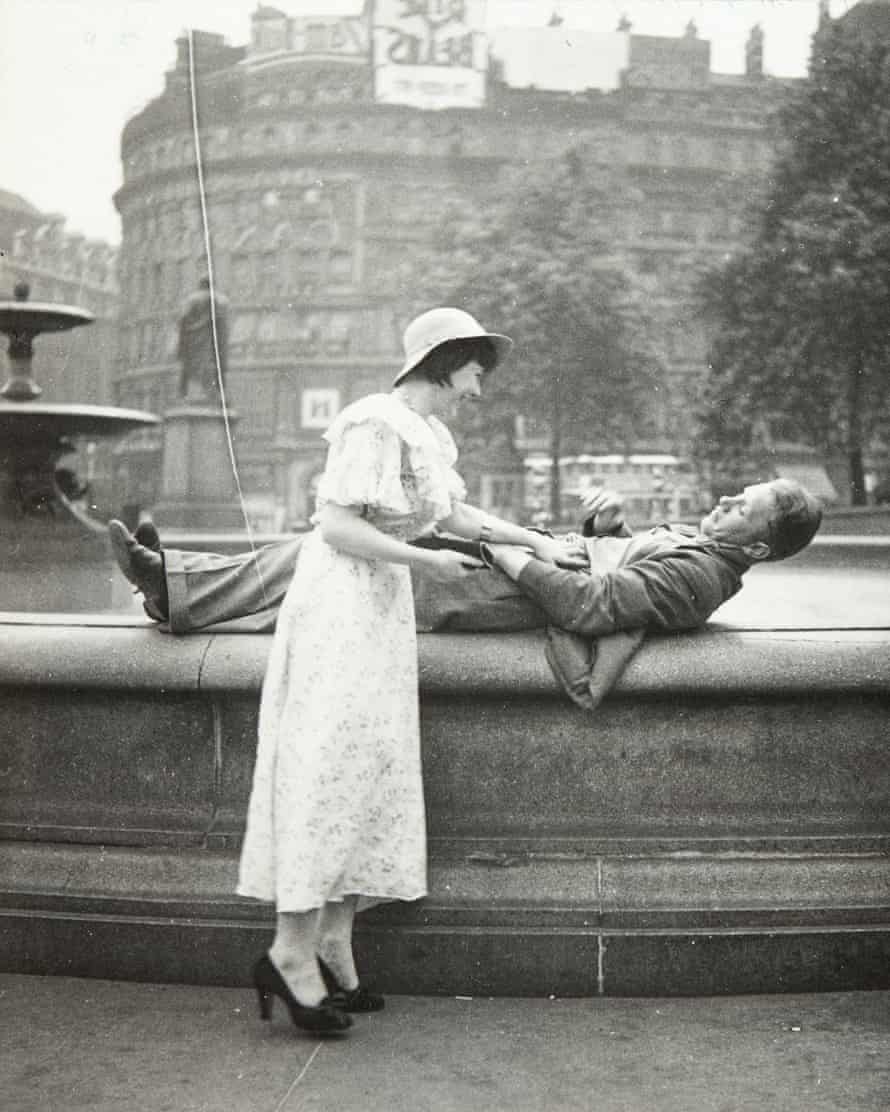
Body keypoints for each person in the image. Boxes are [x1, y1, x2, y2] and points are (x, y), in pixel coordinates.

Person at [138, 307, 575, 1037]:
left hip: (376, 608)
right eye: (475, 371)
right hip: (341, 601)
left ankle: (333, 944)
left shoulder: (427, 434)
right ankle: (289, 951)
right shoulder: (373, 422)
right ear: (444, 360)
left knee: (368, 766)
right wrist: (424, 560)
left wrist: (538, 542)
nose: (479, 388)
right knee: (330, 766)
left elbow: (458, 514)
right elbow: (337, 526)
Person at [111, 476, 822, 711]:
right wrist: (603, 533)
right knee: (333, 554)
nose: (726, 500)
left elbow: (591, 608)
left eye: (742, 508)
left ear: (756, 547)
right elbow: (617, 575)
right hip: (513, 580)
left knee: (333, 560)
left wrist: (508, 555)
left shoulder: (703, 576)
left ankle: (172, 585)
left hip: (504, 599)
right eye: (736, 493)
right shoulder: (704, 555)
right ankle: (176, 586)